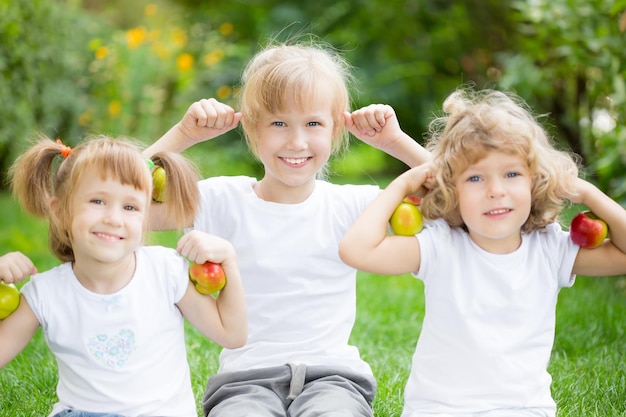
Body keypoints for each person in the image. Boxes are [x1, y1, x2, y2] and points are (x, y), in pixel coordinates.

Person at [143, 39, 431, 416]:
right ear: (251, 128)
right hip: (244, 381)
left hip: (333, 379)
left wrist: (396, 142)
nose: (297, 141)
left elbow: (457, 198)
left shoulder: (352, 205)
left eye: (313, 123)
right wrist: (183, 136)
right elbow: (118, 199)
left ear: (335, 129)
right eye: (279, 123)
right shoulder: (218, 199)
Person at [338, 87, 626, 417]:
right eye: (475, 177)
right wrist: (403, 184)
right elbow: (356, 250)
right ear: (451, 189)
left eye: (512, 174)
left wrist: (587, 193)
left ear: (536, 182)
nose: (496, 191)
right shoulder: (441, 245)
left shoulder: (550, 248)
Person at [1, 135, 247, 417]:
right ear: (60, 212)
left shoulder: (165, 272)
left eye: (130, 207)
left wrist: (228, 259)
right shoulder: (45, 293)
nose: (114, 218)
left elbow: (233, 334)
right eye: (97, 201)